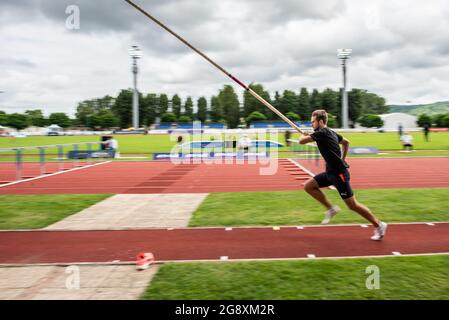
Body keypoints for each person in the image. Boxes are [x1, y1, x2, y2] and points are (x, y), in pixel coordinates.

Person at [300, 110, 387, 241]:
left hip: (339, 174)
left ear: (321, 121)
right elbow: (346, 142)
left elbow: (302, 142)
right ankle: (331, 209)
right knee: (308, 186)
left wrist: (303, 136)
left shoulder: (322, 132)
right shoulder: (330, 132)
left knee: (352, 205)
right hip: (330, 173)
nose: (312, 124)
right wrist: (343, 158)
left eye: (313, 122)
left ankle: (379, 224)